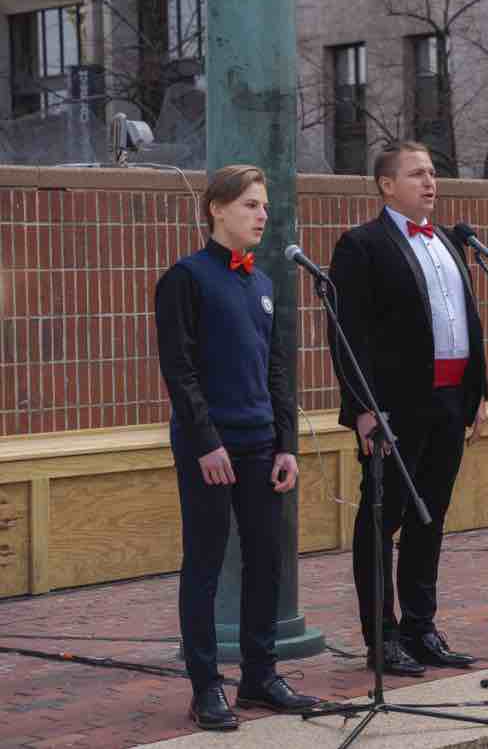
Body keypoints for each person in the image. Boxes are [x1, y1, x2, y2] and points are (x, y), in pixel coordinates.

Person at [156, 165, 319, 731]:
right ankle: (206, 687)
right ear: (216, 209)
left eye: (264, 207)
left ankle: (260, 674)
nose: (262, 215)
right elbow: (179, 370)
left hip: (260, 446)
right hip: (211, 448)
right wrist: (206, 442)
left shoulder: (265, 284)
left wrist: (286, 446)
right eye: (250, 205)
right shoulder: (186, 278)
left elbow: (277, 373)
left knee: (266, 560)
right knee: (204, 562)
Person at [327, 141, 487, 676]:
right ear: (386, 185)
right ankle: (383, 636)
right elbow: (348, 335)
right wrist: (363, 409)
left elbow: (465, 319)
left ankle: (422, 626)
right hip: (394, 409)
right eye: (417, 173)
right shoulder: (362, 245)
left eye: (433, 171)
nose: (430, 181)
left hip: (448, 402)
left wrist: (477, 391)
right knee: (383, 518)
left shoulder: (447, 240)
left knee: (431, 517)